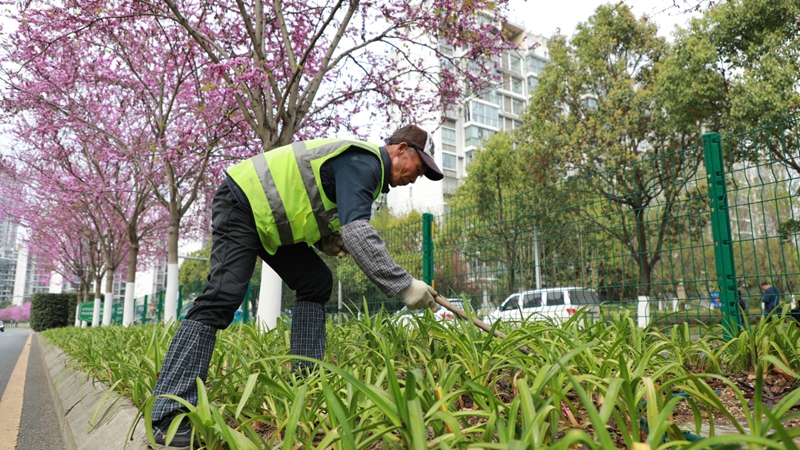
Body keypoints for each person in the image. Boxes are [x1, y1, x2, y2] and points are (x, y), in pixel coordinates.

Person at [149, 125, 444, 448]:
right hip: (243, 204)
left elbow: (306, 198)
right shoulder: (365, 162)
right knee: (222, 296)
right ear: (402, 150)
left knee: (315, 281)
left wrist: (325, 240)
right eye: (419, 169)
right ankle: (168, 413)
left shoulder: (362, 168)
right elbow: (359, 233)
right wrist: (404, 285)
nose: (415, 178)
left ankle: (305, 384)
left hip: (269, 220)